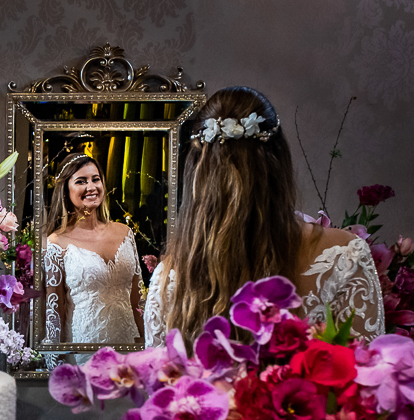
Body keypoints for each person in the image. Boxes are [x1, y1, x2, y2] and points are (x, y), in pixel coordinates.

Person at [144, 86, 383, 347]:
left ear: (196, 172)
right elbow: (369, 366)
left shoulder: (168, 277)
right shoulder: (346, 254)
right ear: (280, 162)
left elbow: (159, 372)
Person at [43, 153, 144, 347]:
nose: (91, 187)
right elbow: (55, 314)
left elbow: (137, 300)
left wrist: (146, 347)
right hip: (84, 351)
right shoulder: (56, 243)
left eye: (95, 179)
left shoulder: (125, 233)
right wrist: (55, 361)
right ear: (65, 190)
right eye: (81, 181)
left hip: (128, 348)